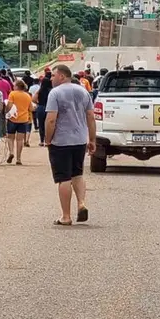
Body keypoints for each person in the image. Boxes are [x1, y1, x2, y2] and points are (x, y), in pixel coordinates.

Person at [44, 64, 95, 225]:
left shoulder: (55, 93)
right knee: (77, 174)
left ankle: (66, 216)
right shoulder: (83, 91)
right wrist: (92, 139)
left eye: (53, 75)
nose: (51, 79)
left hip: (61, 141)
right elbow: (91, 116)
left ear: (61, 76)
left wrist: (48, 138)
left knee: (64, 178)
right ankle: (81, 203)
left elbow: (51, 119)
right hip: (79, 140)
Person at [4, 80, 34, 165]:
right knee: (20, 140)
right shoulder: (27, 95)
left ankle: (11, 152)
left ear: (17, 86)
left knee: (10, 137)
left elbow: (9, 105)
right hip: (23, 119)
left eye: (14, 85)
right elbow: (31, 108)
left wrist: (6, 113)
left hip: (13, 119)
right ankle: (19, 158)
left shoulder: (12, 94)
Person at [33, 75, 50, 147]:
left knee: (41, 125)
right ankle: (47, 141)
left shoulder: (39, 91)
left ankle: (42, 141)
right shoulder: (51, 91)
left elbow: (33, 99)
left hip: (41, 107)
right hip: (49, 107)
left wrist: (38, 103)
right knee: (48, 125)